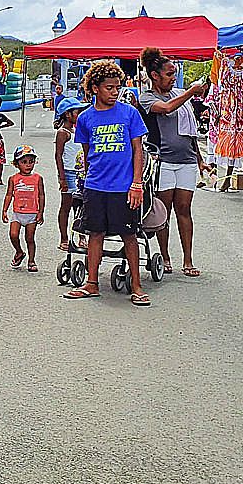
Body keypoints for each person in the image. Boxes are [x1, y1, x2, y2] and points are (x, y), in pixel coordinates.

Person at [68, 59, 149, 306]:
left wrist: (136, 184)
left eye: (117, 87)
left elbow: (138, 151)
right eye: (109, 87)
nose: (115, 92)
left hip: (123, 188)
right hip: (95, 187)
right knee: (95, 233)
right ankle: (91, 283)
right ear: (95, 88)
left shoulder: (129, 114)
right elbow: (87, 151)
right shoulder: (85, 118)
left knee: (129, 234)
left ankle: (136, 285)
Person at [138, 47, 209, 278]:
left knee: (185, 210)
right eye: (169, 74)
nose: (172, 78)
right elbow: (167, 109)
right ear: (155, 75)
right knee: (164, 211)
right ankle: (165, 256)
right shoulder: (147, 98)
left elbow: (190, 133)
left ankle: (188, 260)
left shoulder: (179, 93)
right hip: (164, 161)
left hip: (186, 161)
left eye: (174, 74)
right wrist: (190, 92)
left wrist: (199, 160)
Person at [2, 145, 45, 272]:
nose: (28, 165)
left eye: (31, 162)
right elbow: (9, 194)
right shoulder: (13, 179)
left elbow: (41, 195)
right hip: (17, 213)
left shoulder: (38, 178)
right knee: (13, 235)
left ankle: (31, 261)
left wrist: (40, 213)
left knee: (30, 238)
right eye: (24, 162)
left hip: (32, 213)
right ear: (16, 163)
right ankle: (19, 252)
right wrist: (4, 210)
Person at [53, 96, 87, 251]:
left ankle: (81, 236)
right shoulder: (63, 133)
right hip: (69, 173)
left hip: (81, 173)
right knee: (66, 206)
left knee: (81, 207)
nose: (79, 114)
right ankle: (64, 238)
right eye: (77, 111)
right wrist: (62, 178)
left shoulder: (77, 130)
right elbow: (58, 155)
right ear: (68, 114)